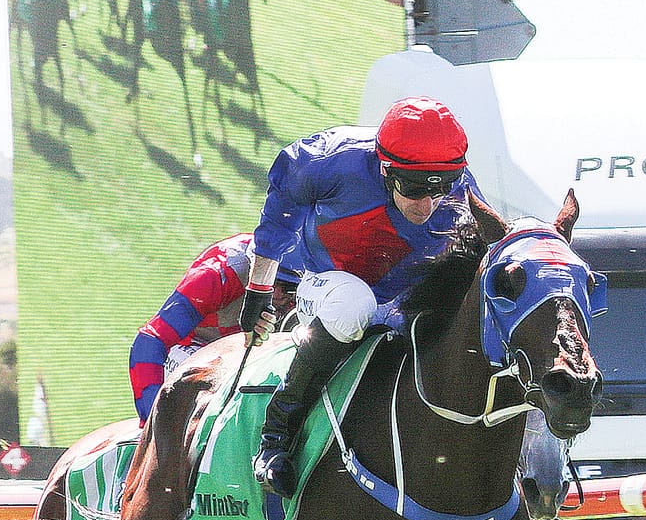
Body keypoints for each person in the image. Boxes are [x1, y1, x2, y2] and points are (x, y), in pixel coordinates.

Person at [240, 95, 484, 494]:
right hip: (325, 286)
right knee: (353, 303)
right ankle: (277, 435)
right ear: (385, 168)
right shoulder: (330, 160)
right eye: (414, 188)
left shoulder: (462, 192)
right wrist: (258, 291)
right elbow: (280, 210)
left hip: (403, 306)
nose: (427, 204)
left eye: (441, 188)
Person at [128, 233, 279, 424]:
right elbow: (149, 342)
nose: (285, 297)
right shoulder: (217, 274)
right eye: (279, 283)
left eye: (293, 288)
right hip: (193, 347)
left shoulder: (314, 270)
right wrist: (152, 423)